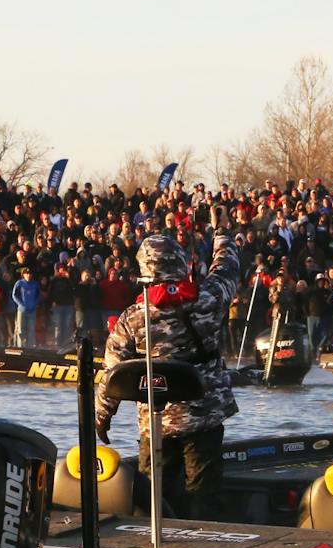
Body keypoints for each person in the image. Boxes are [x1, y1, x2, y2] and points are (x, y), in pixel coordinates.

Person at [95, 208, 240, 522]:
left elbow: (111, 373)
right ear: (178, 262)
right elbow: (228, 267)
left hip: (156, 420)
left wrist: (102, 416)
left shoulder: (133, 317)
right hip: (205, 416)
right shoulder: (209, 297)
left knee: (155, 495)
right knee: (204, 494)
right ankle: (205, 546)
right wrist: (221, 232)